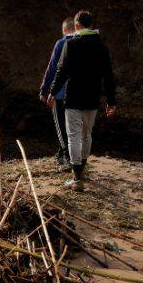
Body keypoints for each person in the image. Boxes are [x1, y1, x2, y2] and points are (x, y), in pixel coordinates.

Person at [48, 10, 116, 189]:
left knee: (74, 137)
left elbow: (61, 71)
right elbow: (108, 76)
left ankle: (77, 178)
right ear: (92, 25)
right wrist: (111, 101)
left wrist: (52, 92)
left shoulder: (70, 44)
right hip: (92, 97)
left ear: (77, 25)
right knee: (87, 134)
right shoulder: (101, 46)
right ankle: (82, 169)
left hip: (73, 97)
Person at [39, 18, 76, 170]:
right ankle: (61, 154)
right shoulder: (83, 43)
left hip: (59, 93)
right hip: (76, 92)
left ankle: (67, 157)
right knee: (72, 126)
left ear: (63, 30)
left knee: (60, 125)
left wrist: (44, 89)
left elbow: (52, 67)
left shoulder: (61, 43)